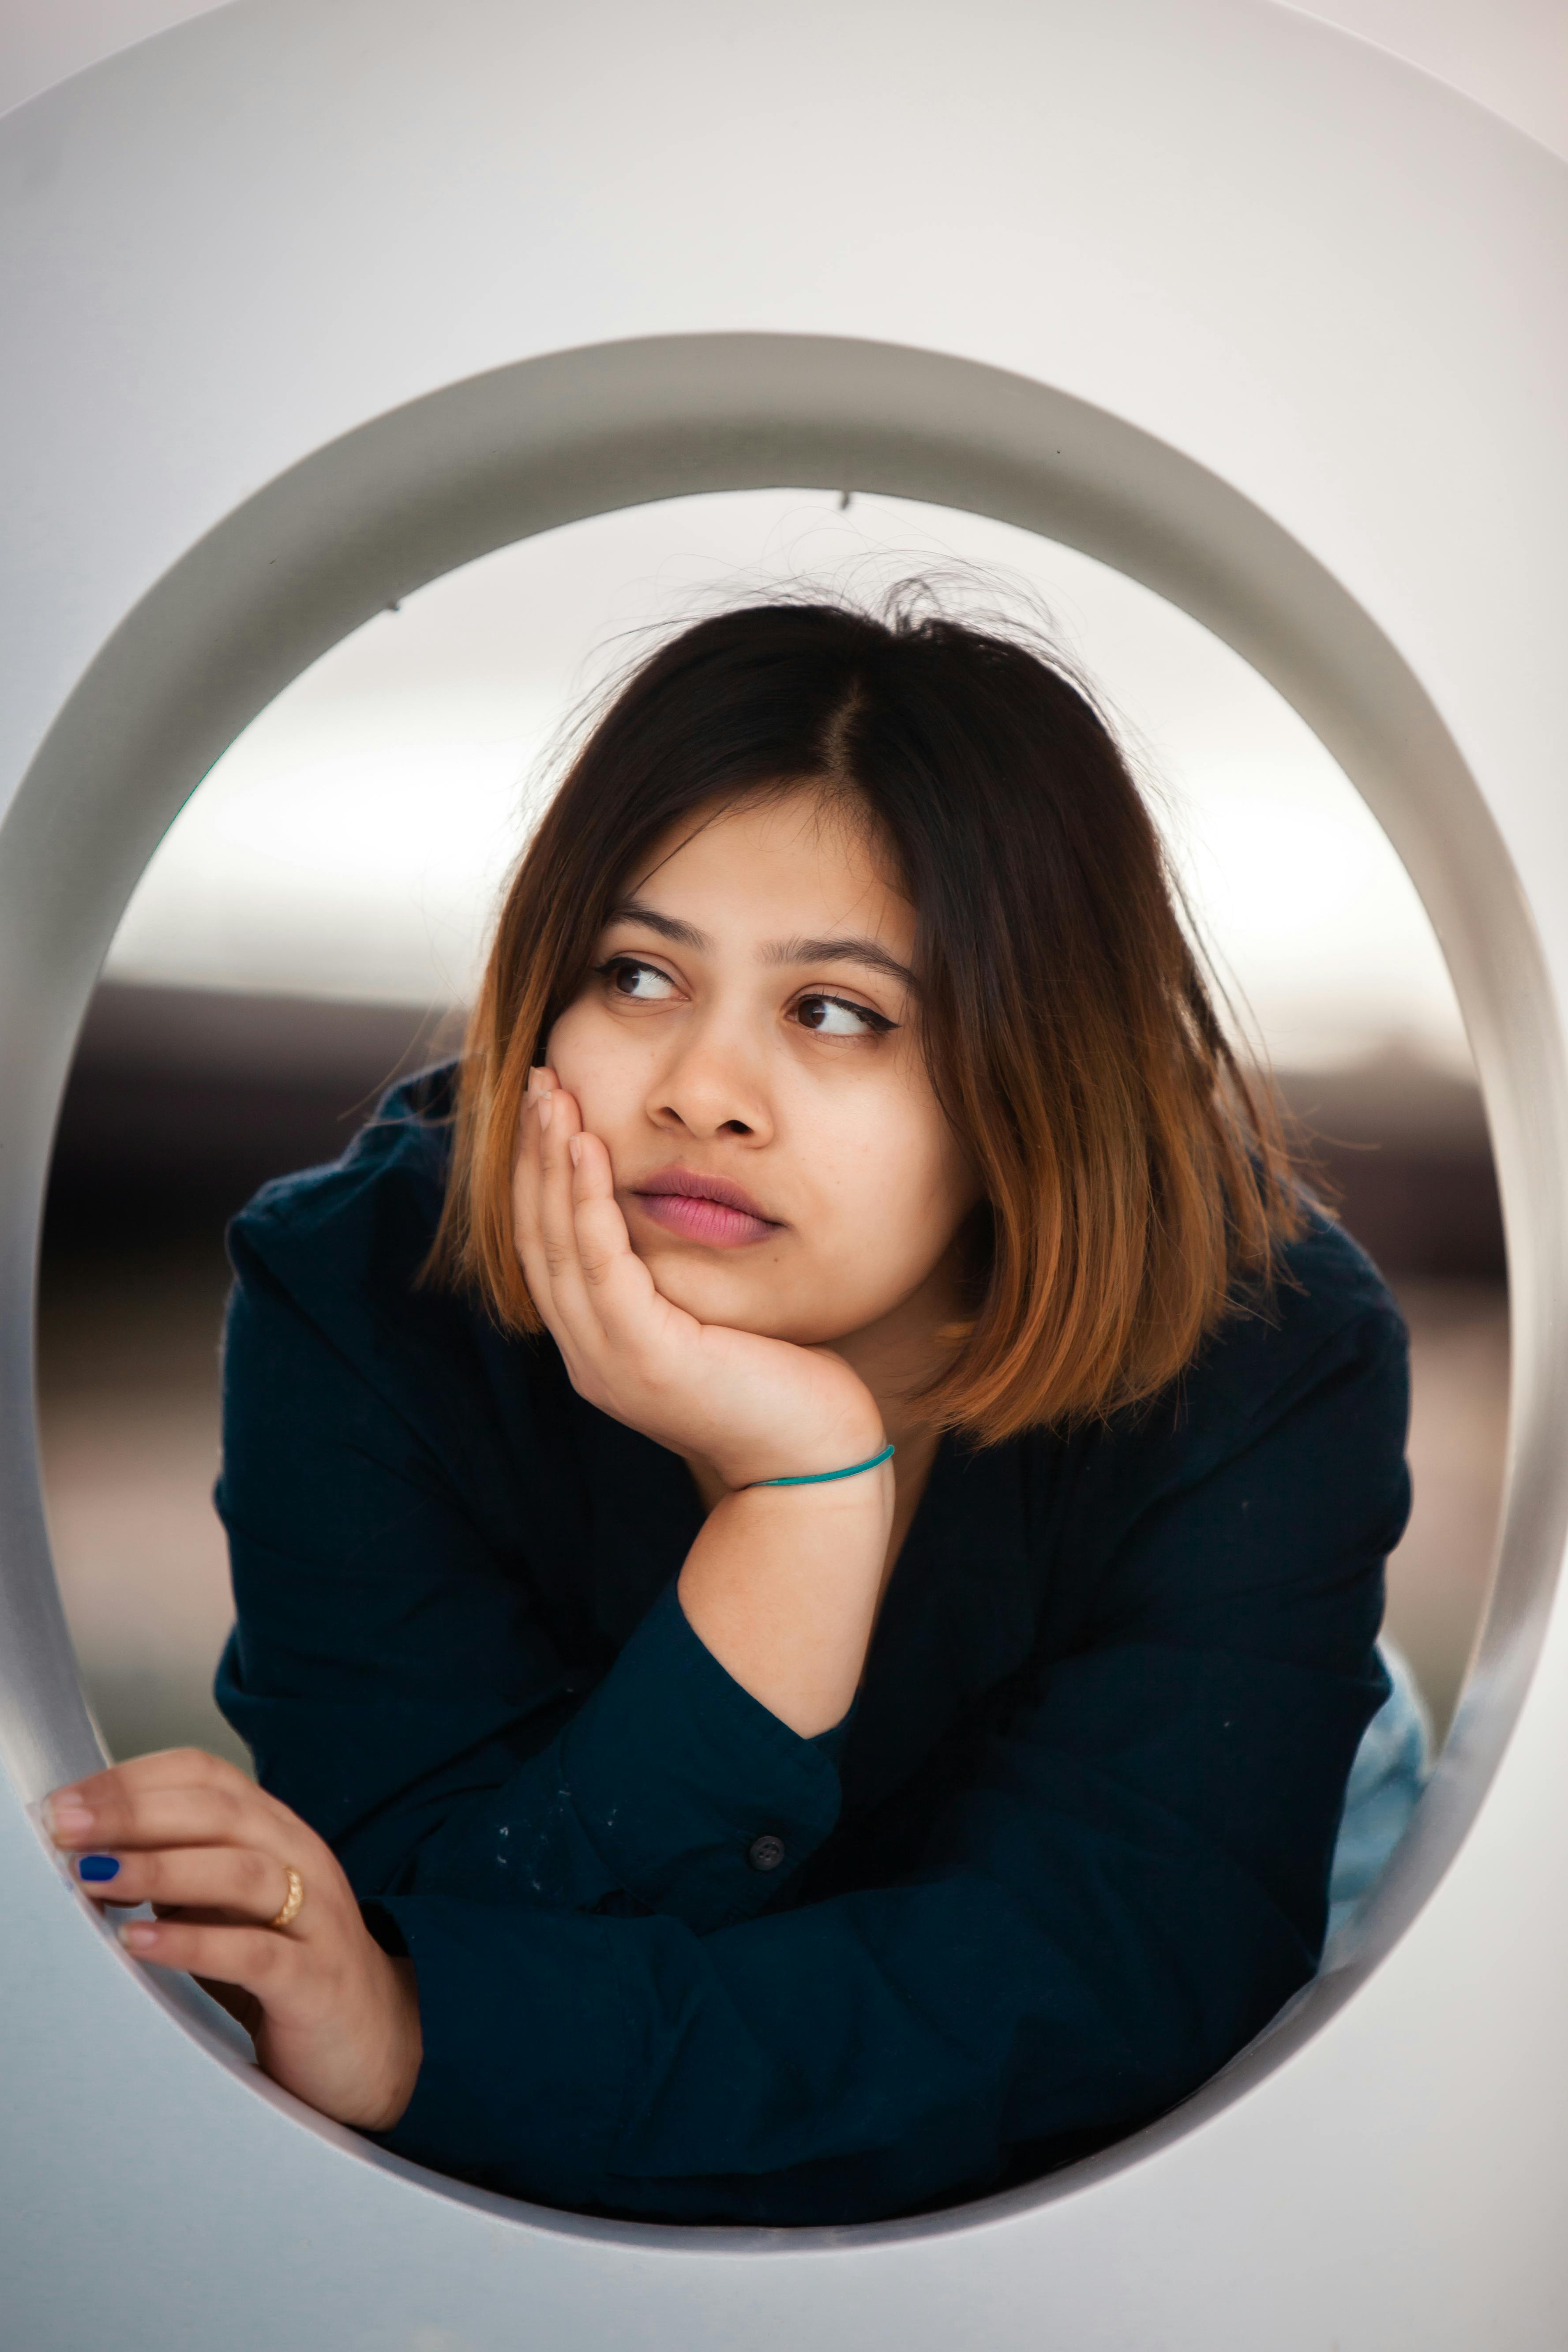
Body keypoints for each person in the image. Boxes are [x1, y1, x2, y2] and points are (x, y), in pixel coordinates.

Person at [45, 594, 1419, 2225]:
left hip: (1268, 1871)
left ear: (1034, 1069)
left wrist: (437, 2029)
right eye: (635, 974)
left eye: (835, 1009)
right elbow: (437, 1911)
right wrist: (804, 1506)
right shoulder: (359, 1292)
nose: (700, 1086)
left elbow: (1095, 2002)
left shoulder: (1269, 1343)